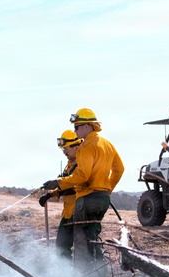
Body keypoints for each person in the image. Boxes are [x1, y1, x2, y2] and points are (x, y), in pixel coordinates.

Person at [42, 107, 124, 265]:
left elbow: (82, 176)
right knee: (92, 239)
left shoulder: (87, 146)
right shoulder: (107, 144)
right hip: (102, 198)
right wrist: (107, 189)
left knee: (82, 245)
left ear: (87, 126)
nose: (76, 130)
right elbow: (119, 169)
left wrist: (58, 183)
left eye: (77, 127)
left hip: (86, 199)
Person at [39, 129, 82, 260]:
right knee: (61, 247)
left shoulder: (84, 163)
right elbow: (66, 183)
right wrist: (50, 194)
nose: (64, 153)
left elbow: (79, 185)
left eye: (66, 149)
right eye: (63, 150)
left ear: (76, 146)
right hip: (68, 213)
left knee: (82, 249)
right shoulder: (69, 165)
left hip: (80, 212)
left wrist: (58, 184)